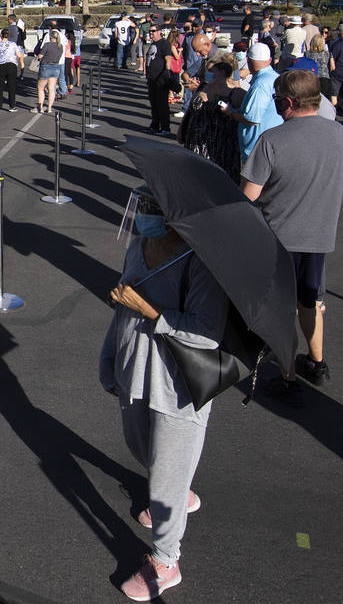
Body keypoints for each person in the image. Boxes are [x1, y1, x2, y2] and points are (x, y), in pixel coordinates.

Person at [101, 188, 227, 602]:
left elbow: (206, 332)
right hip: (134, 366)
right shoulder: (140, 243)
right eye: (144, 205)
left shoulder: (201, 260)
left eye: (154, 208)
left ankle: (165, 560)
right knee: (141, 447)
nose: (144, 213)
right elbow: (122, 304)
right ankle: (174, 488)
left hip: (177, 384)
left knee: (168, 469)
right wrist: (109, 359)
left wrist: (152, 311)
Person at [241, 71, 343, 402]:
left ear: (288, 102)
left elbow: (248, 195)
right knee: (310, 301)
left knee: (281, 308)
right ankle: (318, 363)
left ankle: (288, 376)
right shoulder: (340, 135)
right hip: (319, 236)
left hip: (278, 238)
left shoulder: (273, 140)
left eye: (278, 101)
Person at [179, 55, 245, 183]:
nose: (208, 74)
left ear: (222, 72)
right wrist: (182, 130)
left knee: (218, 183)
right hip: (196, 144)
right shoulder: (203, 87)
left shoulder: (237, 94)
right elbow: (190, 112)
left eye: (211, 71)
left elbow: (246, 118)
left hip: (222, 148)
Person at [230, 42, 282, 164]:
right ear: (269, 60)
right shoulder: (275, 77)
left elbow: (252, 118)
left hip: (257, 149)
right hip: (271, 143)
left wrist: (230, 113)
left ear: (248, 61)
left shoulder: (261, 84)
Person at [145, 27, 179, 136]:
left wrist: (166, 74)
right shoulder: (152, 44)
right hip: (152, 79)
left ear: (159, 32)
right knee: (154, 104)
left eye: (153, 31)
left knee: (162, 105)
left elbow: (168, 59)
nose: (151, 33)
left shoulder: (164, 43)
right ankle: (155, 125)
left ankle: (165, 128)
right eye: (150, 31)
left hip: (160, 79)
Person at [0, 27, 25, 112]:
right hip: (11, 65)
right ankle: (11, 106)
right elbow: (19, 55)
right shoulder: (13, 44)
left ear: (1, 35)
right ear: (8, 36)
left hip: (0, 65)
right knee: (11, 87)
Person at [35, 28, 64, 114]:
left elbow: (40, 56)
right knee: (52, 88)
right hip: (56, 67)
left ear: (51, 37)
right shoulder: (60, 46)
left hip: (45, 66)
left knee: (41, 88)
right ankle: (49, 107)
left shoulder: (47, 45)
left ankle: (40, 107)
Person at [304, 35, 332, 100]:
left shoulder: (307, 54)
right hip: (324, 77)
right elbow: (332, 66)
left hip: (311, 78)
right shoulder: (327, 54)